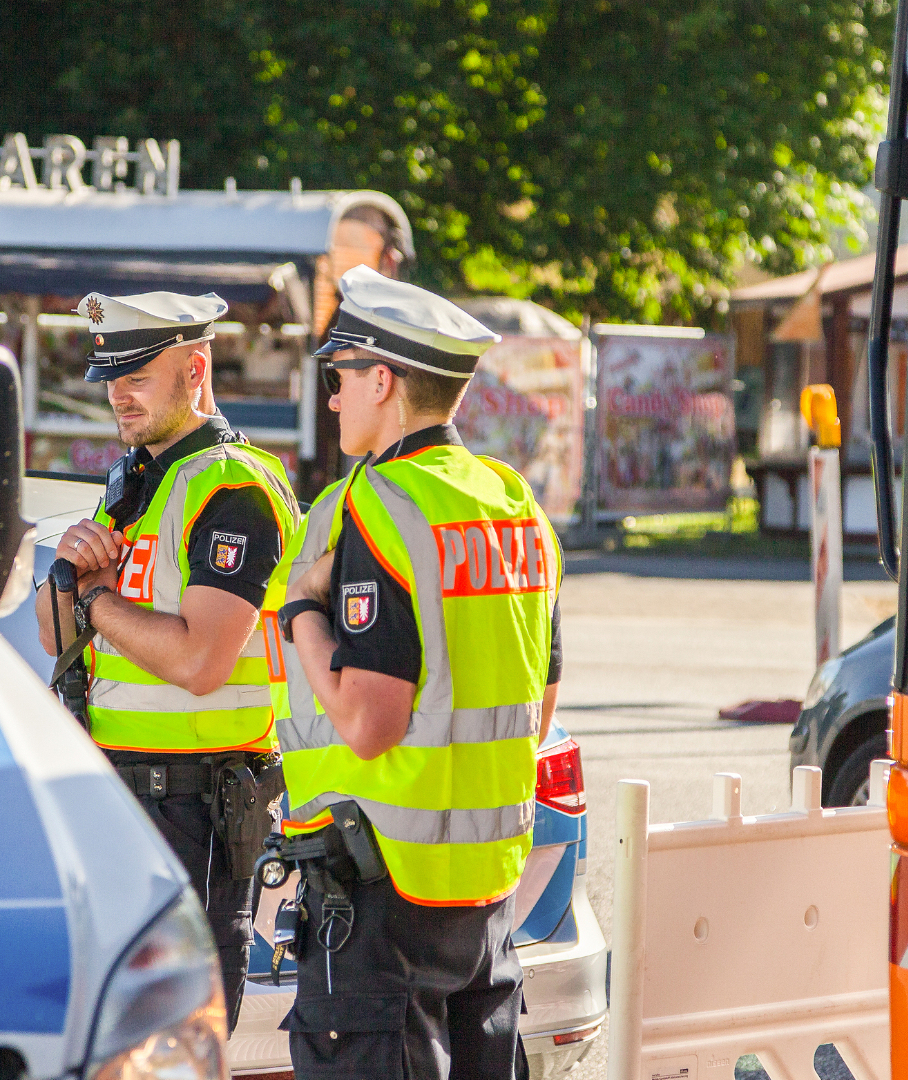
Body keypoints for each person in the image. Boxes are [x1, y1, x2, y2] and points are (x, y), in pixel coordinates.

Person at [270, 265, 562, 1080]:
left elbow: (370, 724)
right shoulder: (514, 505)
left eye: (340, 380)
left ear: (383, 381)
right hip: (485, 903)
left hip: (380, 893)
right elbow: (536, 711)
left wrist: (302, 611)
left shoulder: (379, 508)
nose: (333, 401)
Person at [34, 289, 299, 1029]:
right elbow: (55, 637)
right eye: (111, 377)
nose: (119, 393)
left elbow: (198, 663)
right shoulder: (135, 481)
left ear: (195, 367)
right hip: (125, 793)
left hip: (198, 807)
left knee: (181, 1031)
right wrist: (68, 570)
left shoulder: (233, 486)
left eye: (138, 374)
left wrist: (94, 603)